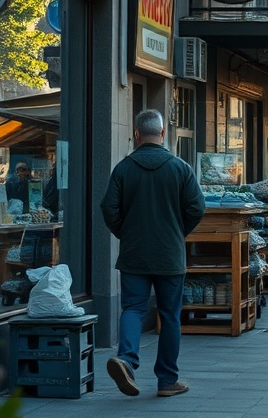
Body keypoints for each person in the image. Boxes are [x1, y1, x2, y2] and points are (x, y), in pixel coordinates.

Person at [100, 109, 206, 398]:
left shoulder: (123, 168)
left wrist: (125, 232)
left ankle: (127, 359)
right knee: (170, 316)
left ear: (136, 134)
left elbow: (108, 207)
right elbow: (197, 207)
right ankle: (167, 381)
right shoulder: (180, 168)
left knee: (133, 308)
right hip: (169, 255)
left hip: (134, 253)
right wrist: (177, 232)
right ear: (162, 133)